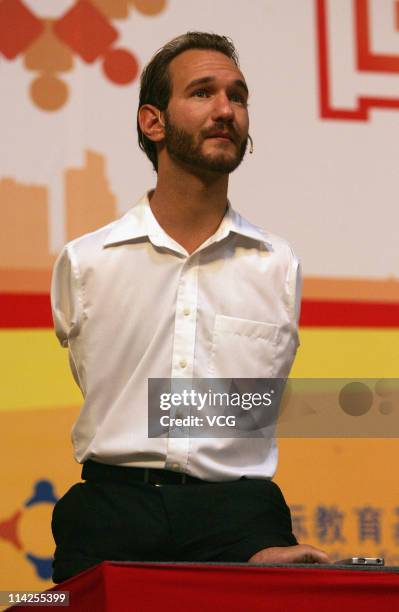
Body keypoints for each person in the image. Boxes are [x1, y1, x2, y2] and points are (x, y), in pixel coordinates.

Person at [50, 32, 329, 583]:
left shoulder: (278, 264)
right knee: (35, 605)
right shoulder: (85, 263)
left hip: (241, 522)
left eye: (238, 96)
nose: (226, 109)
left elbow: (246, 411)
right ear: (152, 122)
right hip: (110, 514)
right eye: (202, 93)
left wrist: (247, 532)